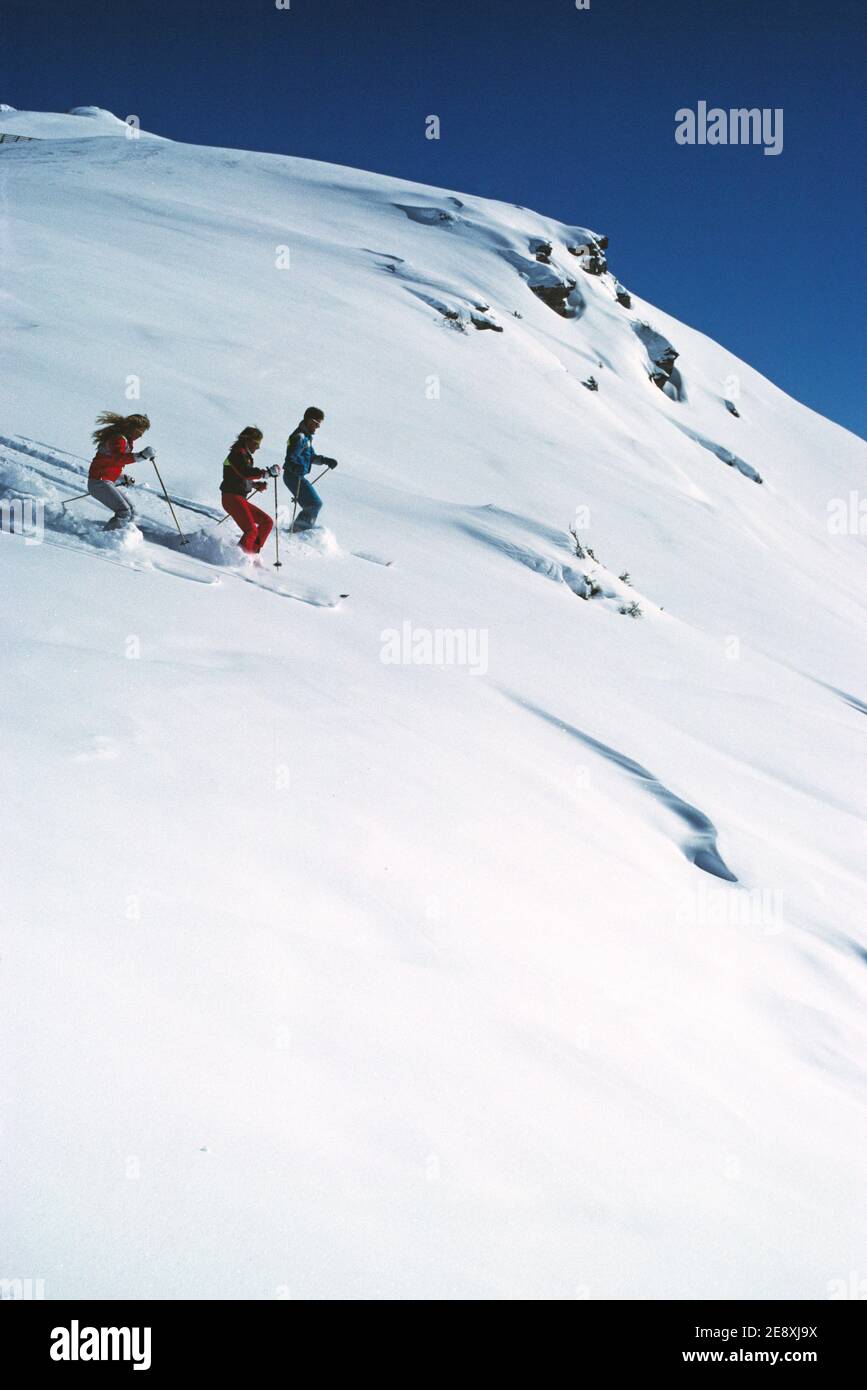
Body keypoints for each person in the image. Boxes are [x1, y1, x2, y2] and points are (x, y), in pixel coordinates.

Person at [88, 411, 154, 528]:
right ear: (132, 428)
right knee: (124, 512)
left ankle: (122, 534)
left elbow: (111, 463)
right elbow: (118, 459)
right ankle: (109, 537)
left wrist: (121, 477)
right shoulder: (118, 439)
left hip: (104, 481)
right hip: (99, 482)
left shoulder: (125, 440)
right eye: (140, 432)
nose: (141, 435)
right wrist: (141, 456)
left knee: (132, 511)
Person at [220, 426, 278, 556]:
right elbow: (244, 473)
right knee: (251, 530)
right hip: (231, 498)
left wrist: (255, 485)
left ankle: (251, 554)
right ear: (247, 440)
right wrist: (266, 473)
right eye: (256, 443)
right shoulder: (237, 454)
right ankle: (239, 557)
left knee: (267, 522)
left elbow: (240, 477)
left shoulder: (245, 456)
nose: (258, 447)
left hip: (239, 497)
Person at [283, 406, 338, 532]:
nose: (318, 427)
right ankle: (297, 531)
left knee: (313, 503)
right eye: (317, 423)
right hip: (292, 476)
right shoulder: (299, 437)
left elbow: (311, 457)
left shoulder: (306, 438)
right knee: (314, 503)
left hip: (297, 476)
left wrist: (326, 460)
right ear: (310, 421)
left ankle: (298, 530)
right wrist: (294, 467)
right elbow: (290, 458)